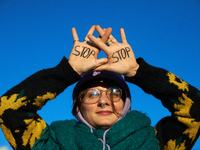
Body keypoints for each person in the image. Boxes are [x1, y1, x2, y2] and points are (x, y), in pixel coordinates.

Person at [0, 25, 199, 150]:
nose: (104, 101)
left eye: (114, 92)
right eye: (92, 94)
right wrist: (68, 71)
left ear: (126, 103)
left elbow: (196, 110)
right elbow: (8, 110)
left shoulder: (158, 142)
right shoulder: (52, 142)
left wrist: (138, 71)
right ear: (78, 105)